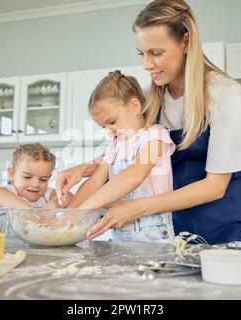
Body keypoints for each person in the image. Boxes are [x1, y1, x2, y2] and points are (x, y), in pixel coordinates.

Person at [56, 0, 241, 245]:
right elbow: (132, 154)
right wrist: (83, 169)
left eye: (156, 53)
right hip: (177, 225)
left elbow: (215, 186)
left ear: (185, 42)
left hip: (227, 223)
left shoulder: (224, 94)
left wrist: (139, 207)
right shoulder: (148, 98)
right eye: (141, 53)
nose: (146, 64)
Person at [68, 70, 176, 243]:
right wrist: (67, 216)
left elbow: (134, 175)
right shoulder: (114, 146)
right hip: (121, 236)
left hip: (154, 237)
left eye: (112, 122)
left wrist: (85, 209)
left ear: (135, 106)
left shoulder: (155, 136)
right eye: (103, 127)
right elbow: (95, 182)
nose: (109, 131)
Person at [0, 143, 71, 213]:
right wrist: (25, 207)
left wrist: (54, 203)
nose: (36, 184)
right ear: (12, 174)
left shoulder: (45, 194)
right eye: (27, 177)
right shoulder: (12, 191)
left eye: (43, 179)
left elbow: (68, 197)